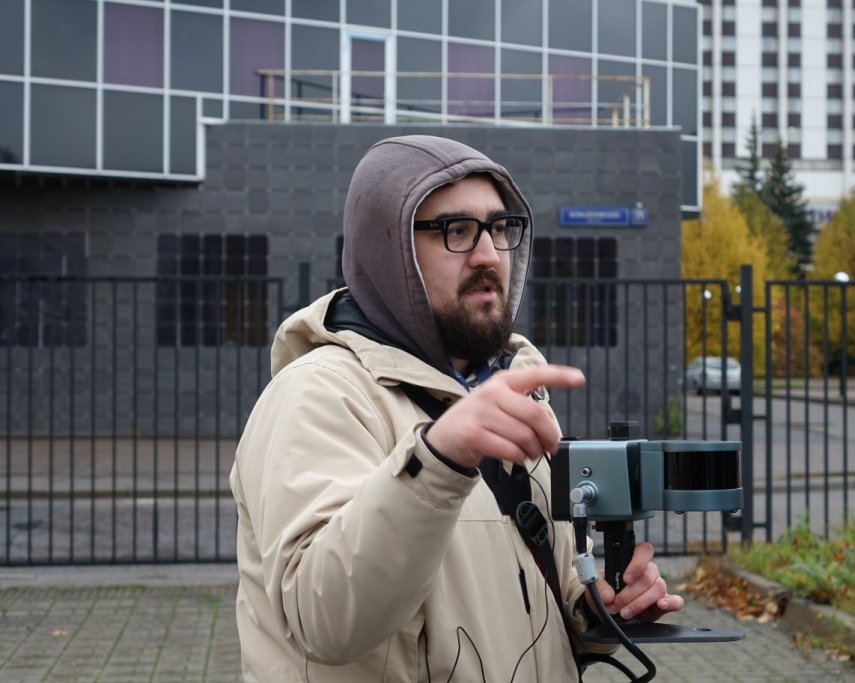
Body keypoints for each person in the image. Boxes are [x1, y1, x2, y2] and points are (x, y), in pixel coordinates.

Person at [229, 135, 684, 682]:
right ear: (389, 250)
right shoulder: (318, 393)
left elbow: (539, 588)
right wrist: (439, 457)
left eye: (500, 228)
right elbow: (323, 621)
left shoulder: (507, 389)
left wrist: (598, 608)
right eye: (456, 230)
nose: (489, 255)